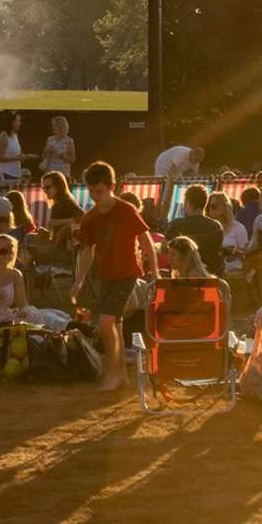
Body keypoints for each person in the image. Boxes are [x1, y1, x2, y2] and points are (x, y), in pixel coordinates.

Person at [70, 163, 157, 391]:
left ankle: (112, 372)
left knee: (106, 321)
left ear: (112, 187)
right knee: (114, 324)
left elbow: (146, 241)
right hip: (106, 275)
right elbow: (87, 252)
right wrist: (78, 282)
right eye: (91, 192)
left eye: (99, 191)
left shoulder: (126, 210)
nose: (95, 196)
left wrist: (155, 274)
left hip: (127, 273)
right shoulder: (90, 218)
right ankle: (120, 376)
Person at [167, 184, 225, 274]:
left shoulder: (177, 224)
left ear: (188, 203)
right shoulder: (217, 226)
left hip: (183, 278)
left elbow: (165, 250)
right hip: (209, 277)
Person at [204, 191, 249, 274]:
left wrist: (233, 252)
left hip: (232, 271)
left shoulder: (238, 228)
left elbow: (246, 255)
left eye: (214, 206)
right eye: (208, 207)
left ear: (225, 207)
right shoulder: (207, 228)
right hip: (212, 270)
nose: (210, 209)